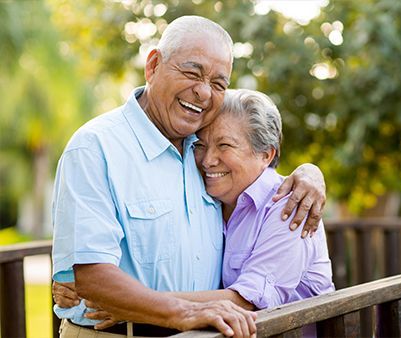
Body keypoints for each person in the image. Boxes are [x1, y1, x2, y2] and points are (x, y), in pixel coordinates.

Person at [51, 16, 326, 338]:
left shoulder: (202, 154)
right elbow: (92, 278)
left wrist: (310, 173)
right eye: (191, 73)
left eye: (219, 84)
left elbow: (256, 161)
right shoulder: (95, 147)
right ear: (153, 65)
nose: (203, 92)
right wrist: (183, 311)